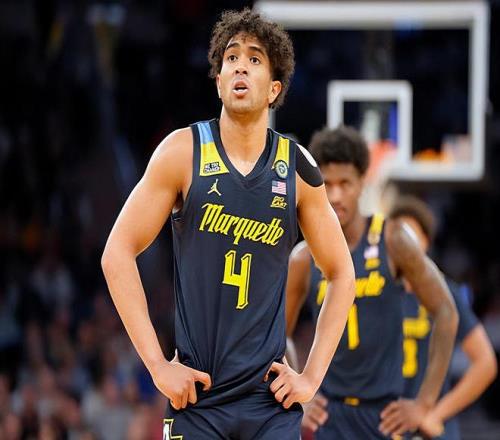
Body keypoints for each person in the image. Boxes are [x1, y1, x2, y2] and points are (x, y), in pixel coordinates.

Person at [101, 8, 356, 439]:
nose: (240, 65)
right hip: (197, 398)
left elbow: (342, 273)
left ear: (274, 88)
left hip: (268, 403)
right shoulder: (182, 152)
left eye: (255, 59)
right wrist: (158, 366)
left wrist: (311, 377)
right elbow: (116, 253)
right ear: (218, 81)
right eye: (231, 57)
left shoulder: (297, 168)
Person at [285, 126, 458, 439]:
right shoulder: (303, 257)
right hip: (329, 416)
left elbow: (446, 312)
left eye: (345, 184)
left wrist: (424, 404)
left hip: (384, 416)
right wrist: (301, 393)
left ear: (362, 182)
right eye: (328, 184)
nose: (335, 196)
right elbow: (276, 334)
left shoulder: (393, 239)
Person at [389, 195, 497, 439]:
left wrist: (435, 414)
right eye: (399, 236)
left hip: (427, 430)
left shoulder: (445, 292)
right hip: (381, 424)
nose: (404, 244)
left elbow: (485, 363)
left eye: (411, 236)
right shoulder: (372, 289)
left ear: (426, 243)